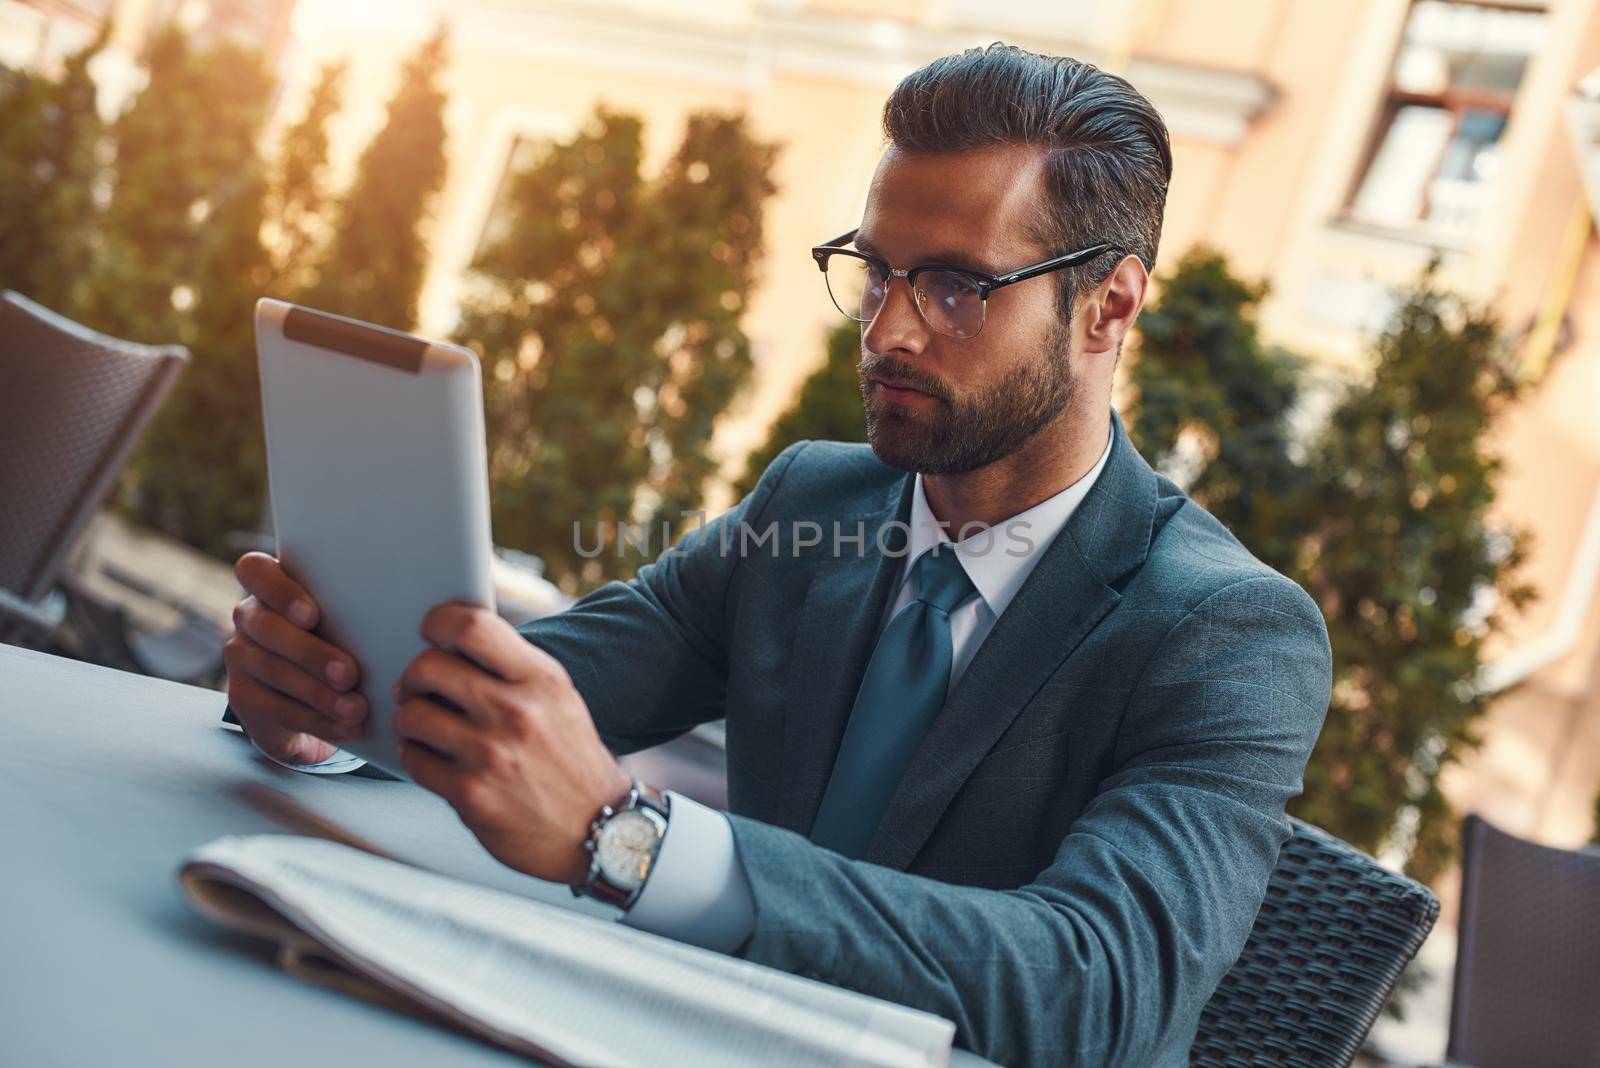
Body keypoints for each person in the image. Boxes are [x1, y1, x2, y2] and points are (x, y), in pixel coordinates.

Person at [224, 43, 1331, 1067]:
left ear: (1108, 306)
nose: (889, 331)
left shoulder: (1228, 634)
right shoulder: (814, 504)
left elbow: (1096, 992)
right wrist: (336, 690)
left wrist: (630, 842)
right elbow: (549, 690)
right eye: (877, 270)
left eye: (954, 288)